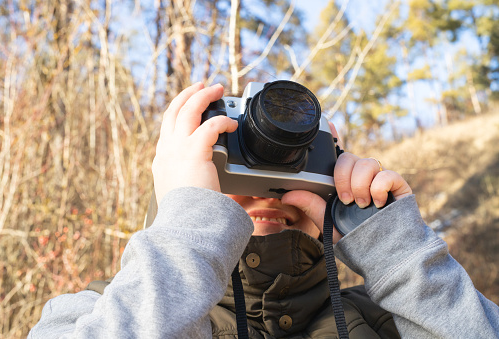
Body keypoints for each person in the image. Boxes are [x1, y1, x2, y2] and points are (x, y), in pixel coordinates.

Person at [29, 82, 499, 338]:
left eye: (287, 177)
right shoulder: (92, 313)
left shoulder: (393, 316)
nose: (269, 197)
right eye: (236, 178)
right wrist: (185, 233)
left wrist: (398, 252)